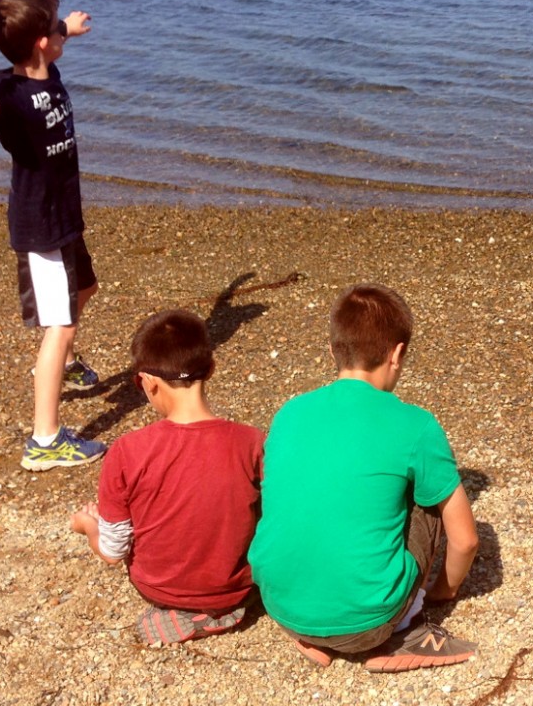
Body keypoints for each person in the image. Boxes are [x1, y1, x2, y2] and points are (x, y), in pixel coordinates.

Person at [248, 282, 480, 672]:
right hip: (368, 622)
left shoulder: (289, 413)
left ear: (333, 351)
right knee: (431, 493)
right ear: (398, 354)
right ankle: (405, 630)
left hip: (282, 608)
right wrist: (443, 591)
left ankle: (314, 637)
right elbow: (466, 539)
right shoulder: (415, 424)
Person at [0, 0, 105, 471]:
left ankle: (62, 365)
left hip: (65, 214)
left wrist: (71, 28)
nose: (61, 28)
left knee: (86, 287)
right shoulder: (13, 97)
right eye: (56, 26)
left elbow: (53, 35)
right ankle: (44, 440)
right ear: (40, 43)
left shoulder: (45, 63)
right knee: (60, 326)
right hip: (41, 226)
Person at [70, 309, 265, 644]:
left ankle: (182, 610)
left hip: (160, 587)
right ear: (212, 368)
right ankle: (221, 607)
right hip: (236, 586)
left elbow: (113, 551)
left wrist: (89, 527)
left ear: (147, 382)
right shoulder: (252, 441)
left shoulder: (128, 451)